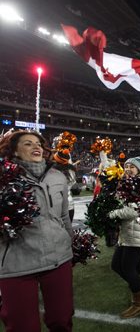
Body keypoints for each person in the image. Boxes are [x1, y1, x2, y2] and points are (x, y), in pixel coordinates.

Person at [0, 130, 74, 331]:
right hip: (17, 263)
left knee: (62, 320)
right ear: (14, 151)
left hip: (59, 257)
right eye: (28, 143)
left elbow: (64, 217)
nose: (36, 147)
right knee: (23, 326)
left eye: (39, 143)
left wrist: (70, 243)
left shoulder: (57, 176)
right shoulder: (3, 177)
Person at [108, 156, 140, 318]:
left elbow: (134, 210)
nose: (128, 169)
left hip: (138, 232)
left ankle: (139, 303)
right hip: (128, 232)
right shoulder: (127, 182)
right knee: (116, 266)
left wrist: (112, 213)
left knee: (128, 268)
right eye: (126, 166)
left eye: (132, 167)